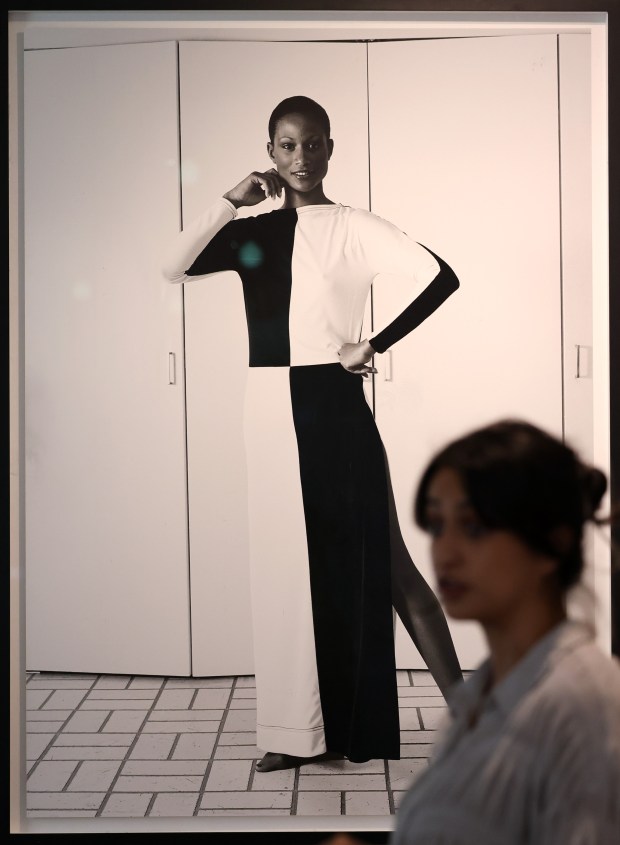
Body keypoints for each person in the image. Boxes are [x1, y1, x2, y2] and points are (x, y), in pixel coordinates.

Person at [162, 95, 463, 774]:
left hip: (331, 402)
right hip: (265, 408)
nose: (301, 158)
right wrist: (228, 201)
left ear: (331, 147)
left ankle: (474, 718)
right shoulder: (255, 234)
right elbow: (172, 266)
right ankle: (296, 731)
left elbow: (441, 276)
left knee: (386, 563)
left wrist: (373, 341)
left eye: (314, 144)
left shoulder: (354, 226)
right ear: (269, 152)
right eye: (287, 146)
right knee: (283, 574)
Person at [385, 419, 620, 844]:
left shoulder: (581, 708)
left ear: (554, 543)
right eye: (437, 525)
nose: (445, 552)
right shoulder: (484, 693)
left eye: (473, 527)